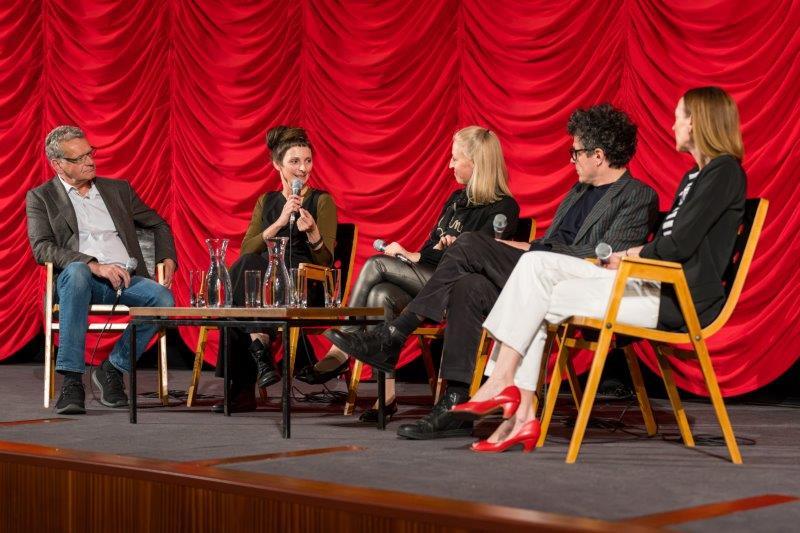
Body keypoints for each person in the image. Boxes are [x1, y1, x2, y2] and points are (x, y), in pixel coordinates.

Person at [329, 104, 658, 438]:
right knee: (468, 285)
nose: (571, 159)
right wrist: (526, 248)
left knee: (471, 243)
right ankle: (455, 401)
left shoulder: (637, 196)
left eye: (575, 152)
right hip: (536, 272)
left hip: (573, 285)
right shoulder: (577, 194)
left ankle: (395, 335)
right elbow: (549, 242)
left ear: (598, 155)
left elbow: (605, 257)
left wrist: (531, 248)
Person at [452, 86, 747, 452]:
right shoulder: (694, 178)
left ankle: (503, 385)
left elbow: (678, 246)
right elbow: (672, 244)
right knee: (536, 290)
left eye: (679, 116)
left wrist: (629, 255)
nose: (672, 126)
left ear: (697, 122)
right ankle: (522, 412)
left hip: (677, 299)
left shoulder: (724, 174)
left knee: (535, 268)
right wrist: (633, 256)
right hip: (653, 285)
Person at [298, 126, 520, 422]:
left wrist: (457, 247)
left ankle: (342, 351)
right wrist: (408, 253)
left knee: (375, 265)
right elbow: (428, 254)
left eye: (455, 159)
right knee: (381, 294)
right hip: (429, 277)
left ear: (476, 163)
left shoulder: (504, 208)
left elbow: (483, 263)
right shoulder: (455, 200)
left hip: (458, 292)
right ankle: (386, 396)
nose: (449, 165)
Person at [26, 125, 176, 414]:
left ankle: (112, 368)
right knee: (78, 271)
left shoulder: (117, 190)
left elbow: (158, 223)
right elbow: (42, 247)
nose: (90, 161)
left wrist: (167, 255)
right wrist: (93, 264)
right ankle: (71, 380)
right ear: (57, 164)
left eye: (90, 153)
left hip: (126, 278)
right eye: (79, 158)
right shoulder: (41, 197)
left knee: (164, 300)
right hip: (80, 281)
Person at [213, 125, 337, 413]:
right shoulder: (266, 202)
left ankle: (248, 375)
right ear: (277, 165)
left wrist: (314, 233)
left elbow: (326, 263)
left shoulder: (322, 201)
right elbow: (247, 250)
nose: (303, 169)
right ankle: (259, 358)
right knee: (246, 268)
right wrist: (280, 222)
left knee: (242, 288)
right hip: (264, 288)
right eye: (295, 162)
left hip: (304, 285)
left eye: (307, 161)